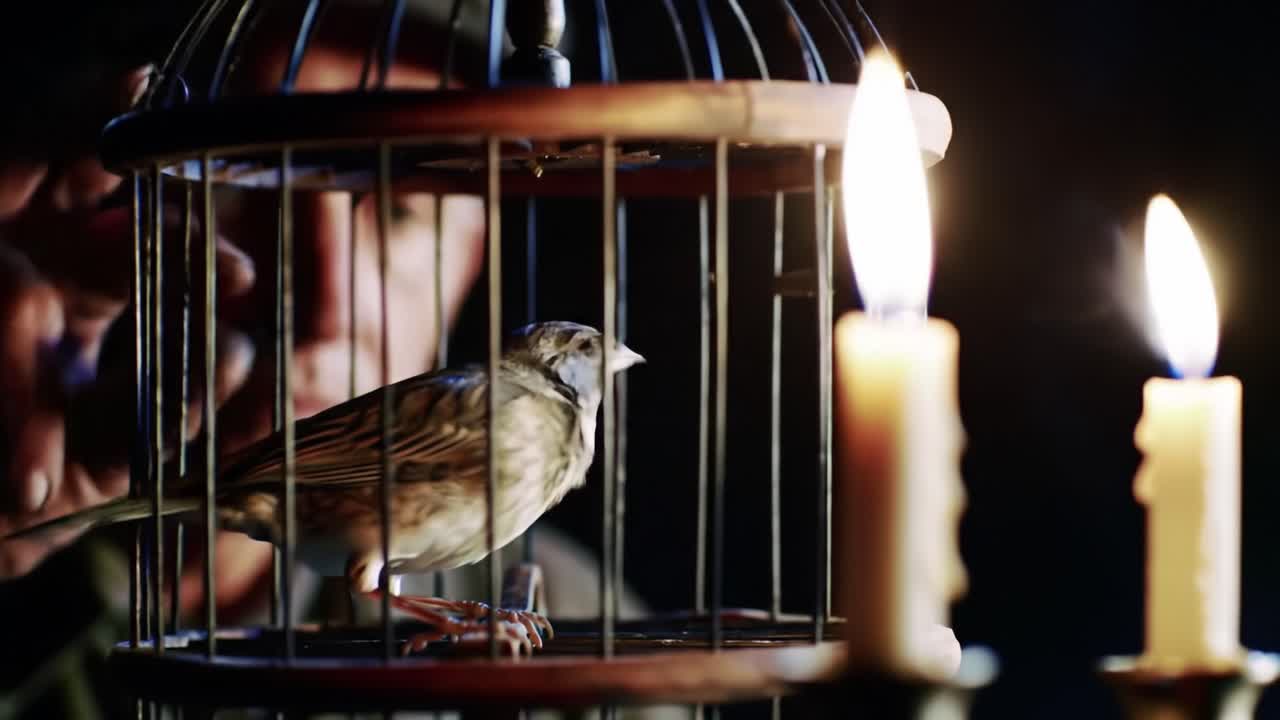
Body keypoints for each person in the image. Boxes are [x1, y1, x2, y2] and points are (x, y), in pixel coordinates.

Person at [0, 4, 658, 716]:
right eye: (252, 182)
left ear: (475, 251)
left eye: (402, 206)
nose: (327, 305)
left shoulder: (584, 627)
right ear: (128, 203)